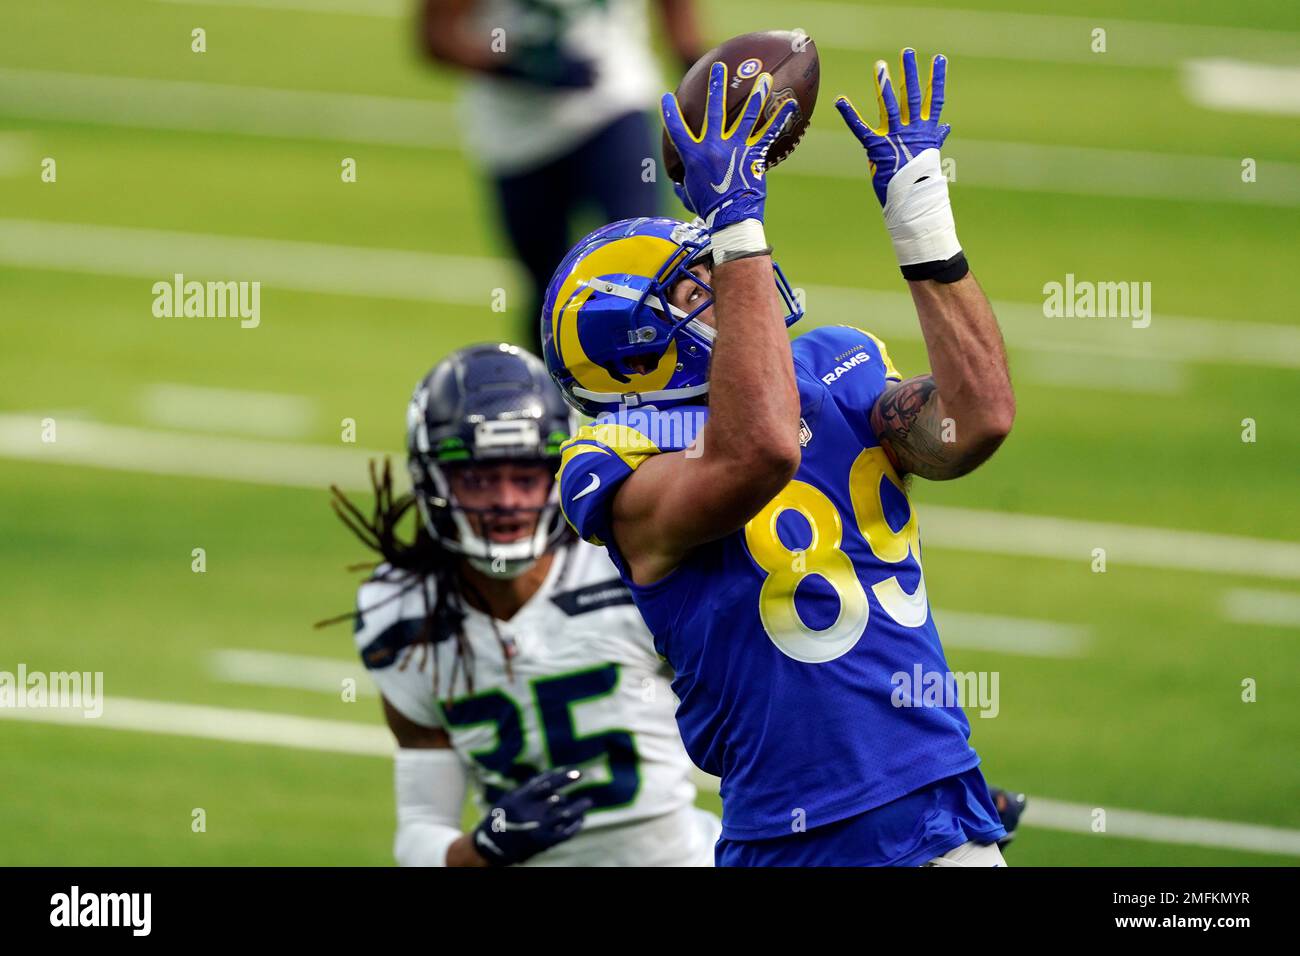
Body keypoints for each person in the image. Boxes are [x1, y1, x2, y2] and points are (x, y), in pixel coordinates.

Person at [541, 50, 1019, 865]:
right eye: (697, 288)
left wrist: (921, 221)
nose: (730, 285)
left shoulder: (836, 364)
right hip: (794, 834)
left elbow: (976, 423)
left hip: (941, 797)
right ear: (634, 352)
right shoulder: (610, 459)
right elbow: (757, 454)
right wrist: (736, 227)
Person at [329, 343, 719, 866]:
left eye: (525, 475)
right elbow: (422, 832)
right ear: (433, 479)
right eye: (480, 477)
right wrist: (487, 847)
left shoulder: (621, 558)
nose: (507, 501)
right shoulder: (401, 612)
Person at [418, 0, 705, 347]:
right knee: (549, 291)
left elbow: (677, 13)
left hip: (613, 105)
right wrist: (517, 66)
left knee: (651, 267)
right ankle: (556, 395)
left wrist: (699, 75)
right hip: (517, 133)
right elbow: (437, 37)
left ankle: (664, 391)